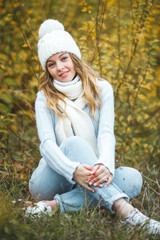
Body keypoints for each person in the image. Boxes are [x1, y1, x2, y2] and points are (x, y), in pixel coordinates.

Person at [26, 19, 160, 235]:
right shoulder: (44, 98)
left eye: (63, 58)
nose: (60, 67)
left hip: (91, 174)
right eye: (51, 64)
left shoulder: (102, 89)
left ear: (74, 58)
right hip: (51, 181)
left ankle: (54, 206)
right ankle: (124, 209)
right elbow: (47, 145)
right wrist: (72, 170)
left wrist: (105, 165)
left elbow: (106, 134)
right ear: (47, 69)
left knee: (133, 178)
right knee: (74, 143)